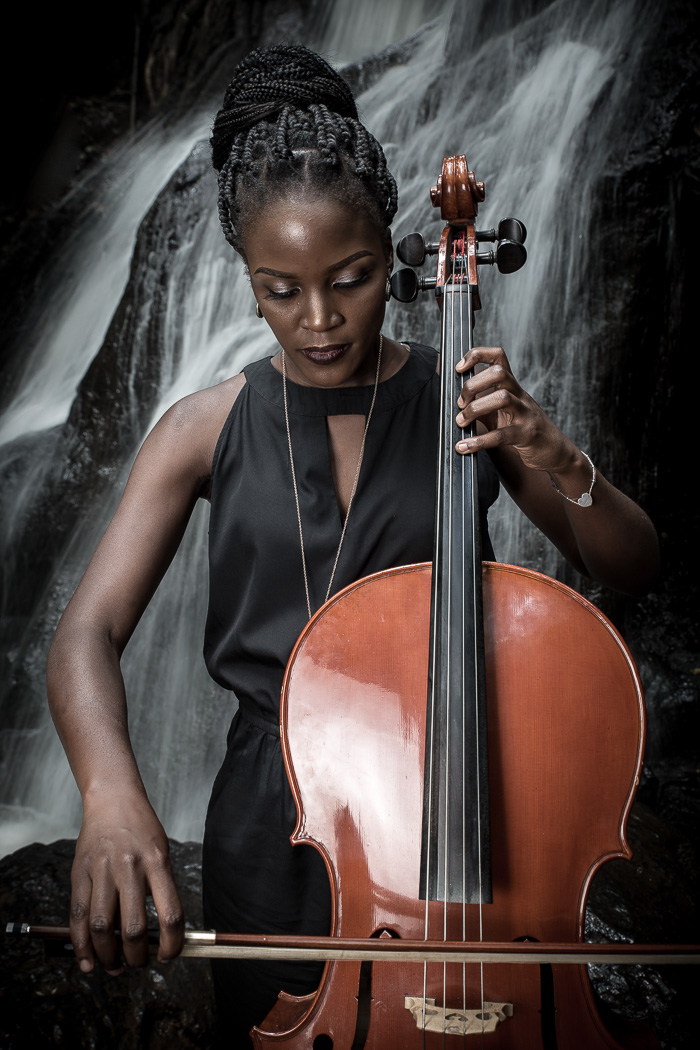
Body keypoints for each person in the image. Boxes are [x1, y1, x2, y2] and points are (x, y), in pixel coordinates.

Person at [46, 44, 660, 1047]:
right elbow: (84, 635)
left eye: (353, 278)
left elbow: (634, 564)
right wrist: (111, 797)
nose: (321, 320)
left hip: (456, 813)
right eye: (281, 290)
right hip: (271, 831)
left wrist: (559, 455)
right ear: (244, 280)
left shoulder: (466, 407)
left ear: (397, 252)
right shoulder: (201, 428)